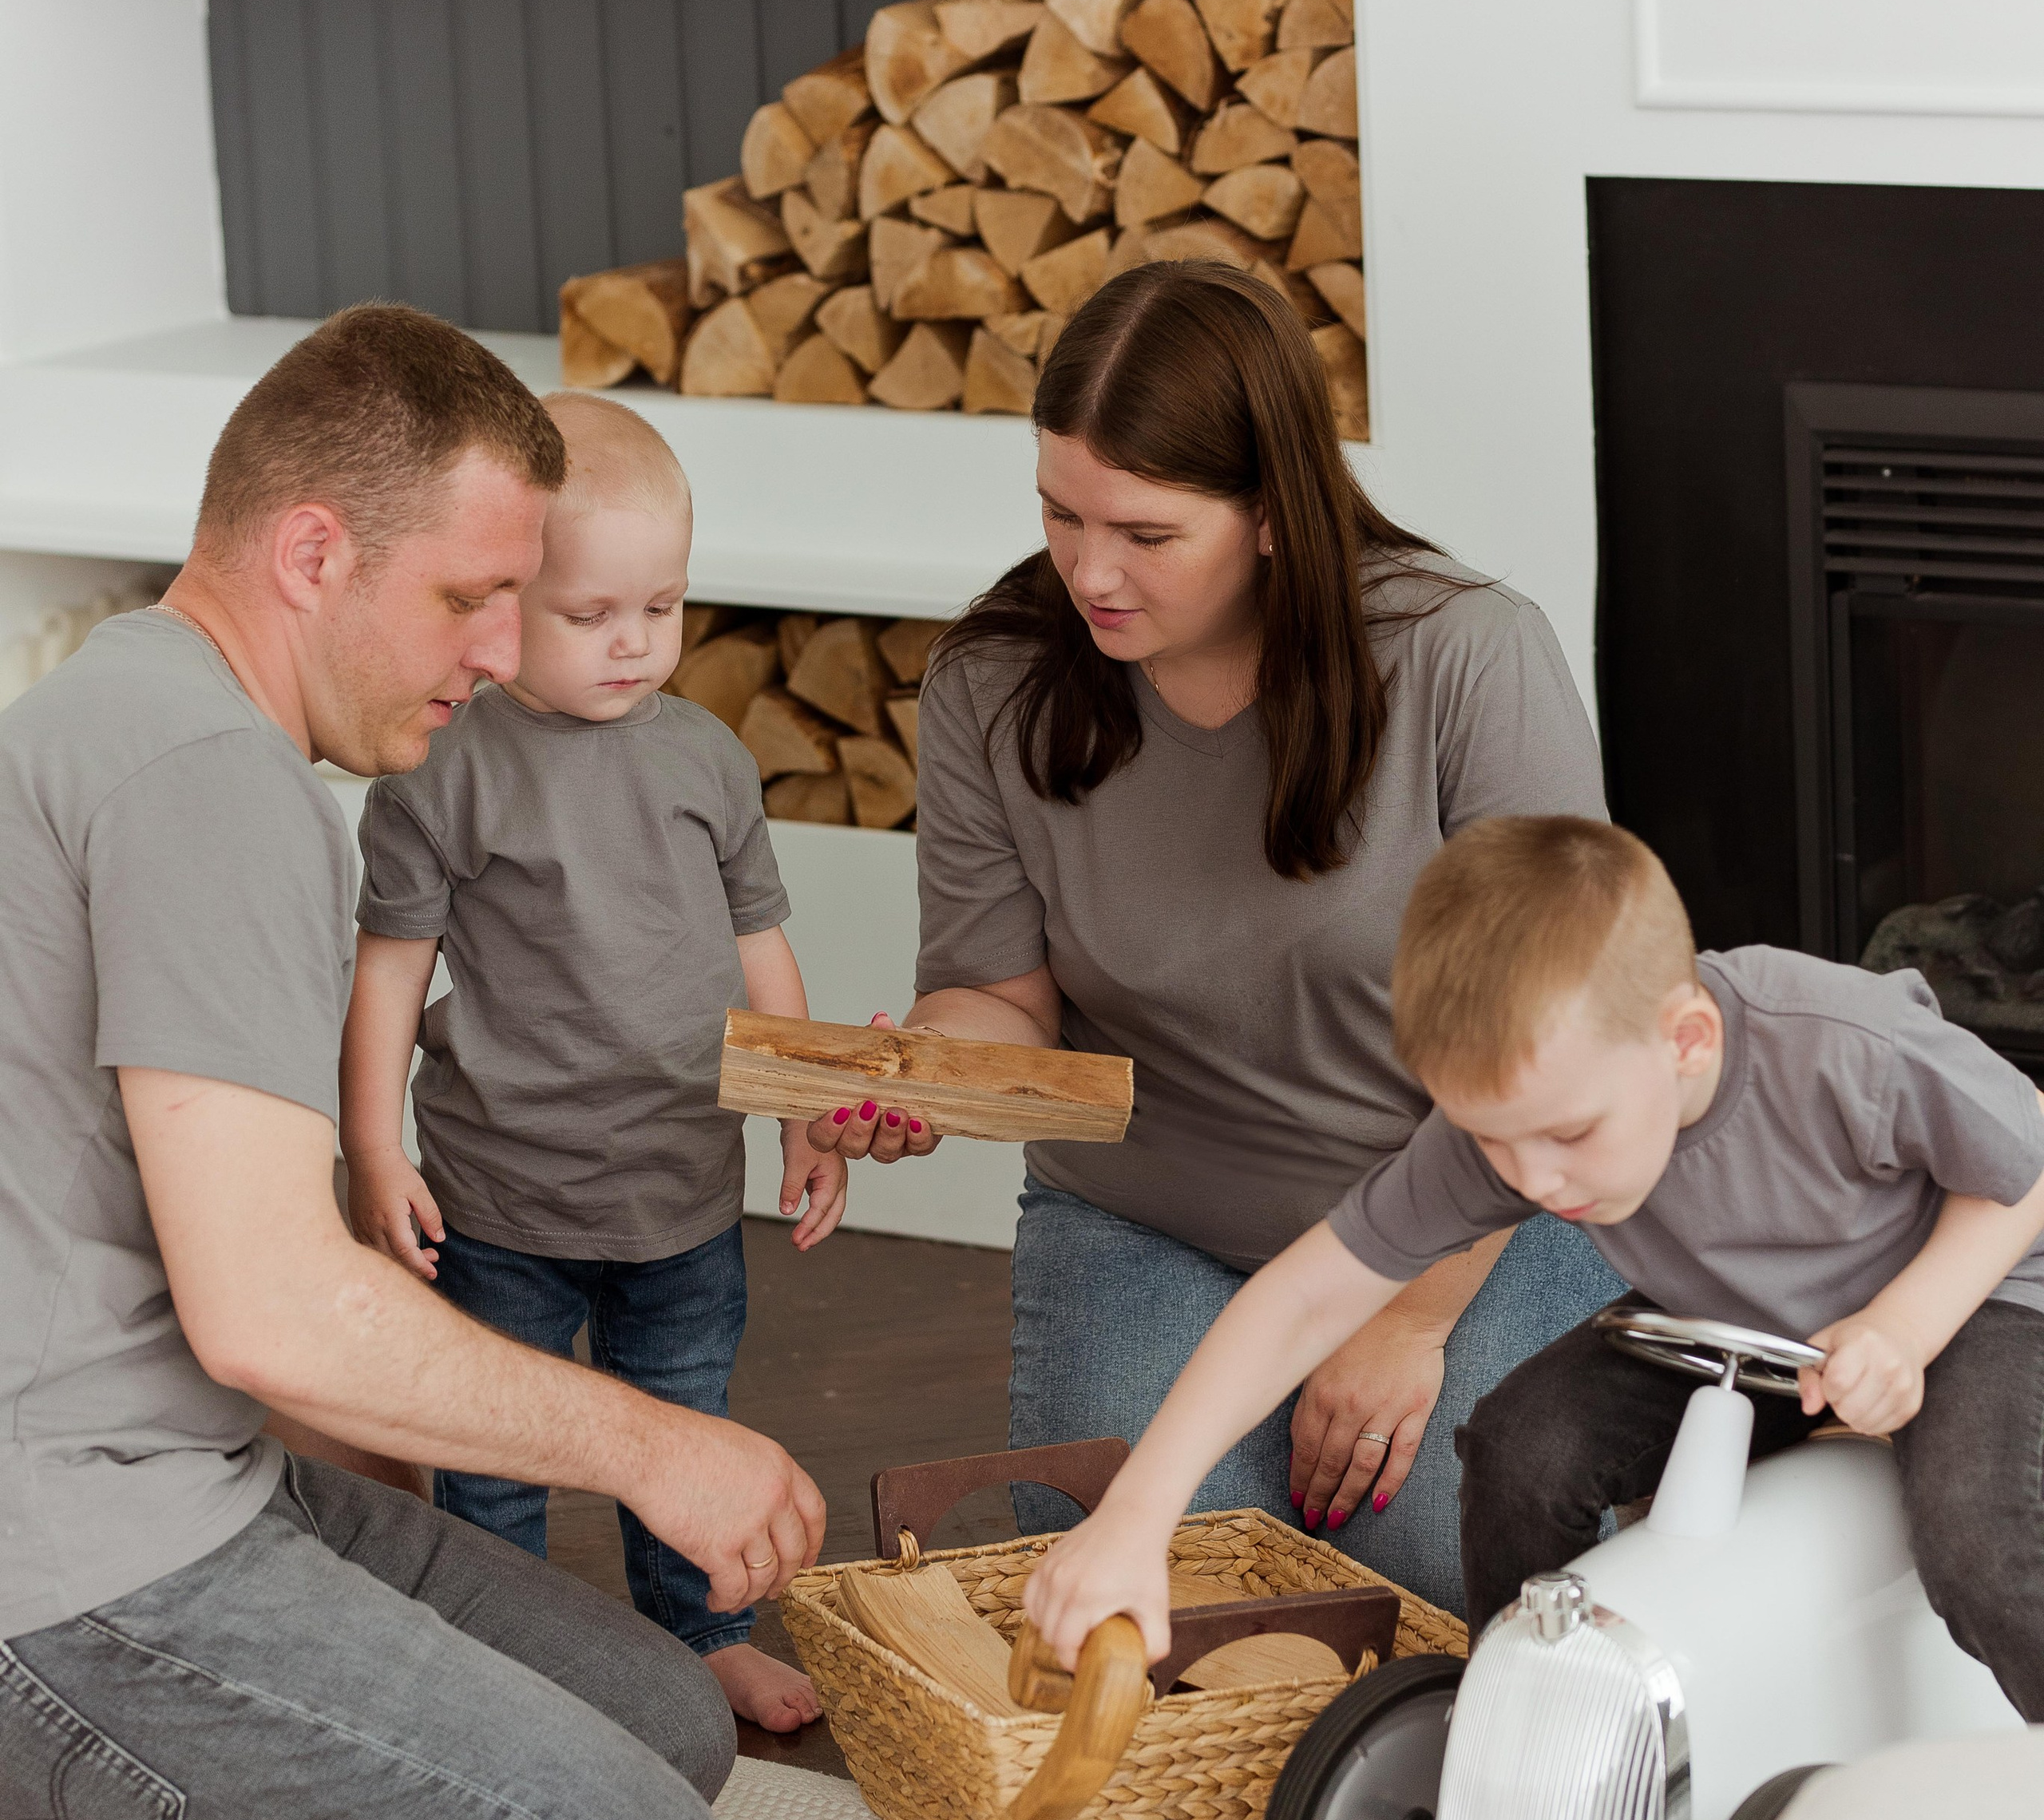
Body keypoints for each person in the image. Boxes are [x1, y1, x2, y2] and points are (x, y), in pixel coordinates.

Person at [0, 306, 825, 1820]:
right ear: (312, 552)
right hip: (70, 1574)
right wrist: (656, 1443)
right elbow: (275, 1308)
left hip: (183, 1477)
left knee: (660, 1721)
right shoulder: (207, 777)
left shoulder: (134, 709)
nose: (504, 646)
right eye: (470, 597)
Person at [813, 259, 1615, 1614]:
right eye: (1059, 515)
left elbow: (1566, 1048)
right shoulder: (994, 680)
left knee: (1442, 1587)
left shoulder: (1467, 658)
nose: (1087, 571)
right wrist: (925, 1081)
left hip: (1459, 1218)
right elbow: (996, 998)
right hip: (1147, 1222)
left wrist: (1412, 1317)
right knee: (1141, 1604)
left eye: (1143, 532)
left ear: (1270, 517)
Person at [1021, 815, 2044, 1723]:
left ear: (1685, 1041)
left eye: (1567, 1134)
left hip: (1978, 1299)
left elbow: (2026, 1162)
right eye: (1491, 1140)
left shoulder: (1830, 1040)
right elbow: (1304, 1294)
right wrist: (1134, 1518)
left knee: (1980, 1544)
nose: (1530, 1179)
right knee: (1522, 1446)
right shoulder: (1520, 1126)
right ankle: (1528, 1730)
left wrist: (1906, 1327)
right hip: (1744, 1326)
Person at [341, 394, 843, 1735]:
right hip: (500, 1193)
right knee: (489, 1439)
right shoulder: (448, 767)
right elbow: (389, 968)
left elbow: (763, 945)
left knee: (682, 1411)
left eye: (664, 609)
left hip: (680, 1185)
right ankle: (491, 1631)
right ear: (504, 611)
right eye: (591, 616)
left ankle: (705, 1633)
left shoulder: (712, 760)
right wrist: (377, 1149)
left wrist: (805, 1114)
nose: (636, 644)